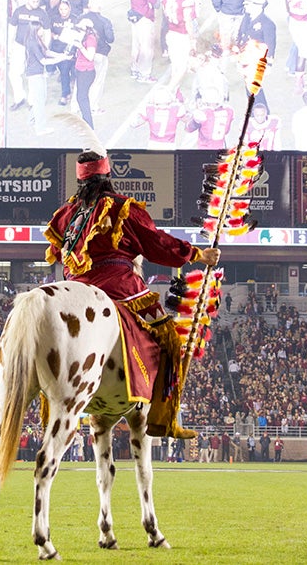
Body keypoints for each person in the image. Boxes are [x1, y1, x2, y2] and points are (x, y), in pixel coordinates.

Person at [44, 150, 221, 439]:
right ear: (107, 176)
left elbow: (56, 254)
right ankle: (164, 421)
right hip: (118, 287)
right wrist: (197, 253)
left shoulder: (66, 215)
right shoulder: (121, 208)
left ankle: (52, 414)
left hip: (73, 290)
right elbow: (156, 244)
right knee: (169, 338)